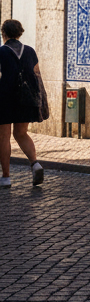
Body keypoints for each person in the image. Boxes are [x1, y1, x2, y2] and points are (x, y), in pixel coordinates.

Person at [0, 19, 48, 187]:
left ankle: (6, 177)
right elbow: (37, 77)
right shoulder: (30, 51)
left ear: (3, 34)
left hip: (4, 99)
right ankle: (35, 164)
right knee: (21, 133)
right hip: (26, 99)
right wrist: (41, 101)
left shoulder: (1, 52)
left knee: (4, 136)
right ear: (20, 33)